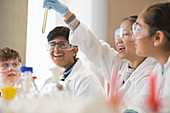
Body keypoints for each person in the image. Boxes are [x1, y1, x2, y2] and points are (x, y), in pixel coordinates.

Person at [43, 0, 157, 111]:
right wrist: (66, 14)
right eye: (118, 35)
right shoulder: (118, 64)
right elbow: (92, 45)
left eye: (125, 34)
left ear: (140, 37)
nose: (118, 41)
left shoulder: (153, 72)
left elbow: (141, 107)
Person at [124, 2, 170, 113]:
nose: (133, 37)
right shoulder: (159, 68)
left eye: (137, 29)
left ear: (157, 37)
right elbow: (143, 103)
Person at [45, 26, 105, 98]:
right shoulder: (50, 82)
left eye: (63, 44)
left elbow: (86, 109)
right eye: (52, 45)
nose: (56, 49)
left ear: (74, 51)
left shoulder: (86, 79)